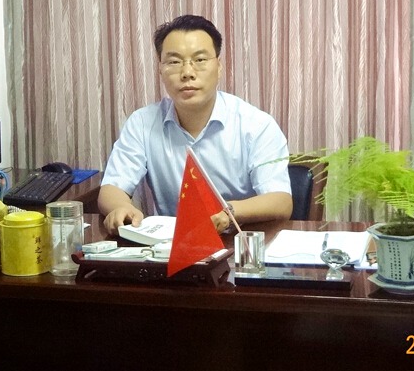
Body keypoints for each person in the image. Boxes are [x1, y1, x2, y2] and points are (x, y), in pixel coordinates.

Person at [98, 14, 293, 234]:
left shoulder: (256, 125)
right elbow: (111, 188)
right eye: (174, 62)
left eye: (199, 60)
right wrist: (121, 207)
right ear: (160, 69)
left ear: (219, 66)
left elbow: (280, 200)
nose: (187, 73)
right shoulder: (142, 123)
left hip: (240, 243)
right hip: (171, 246)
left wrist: (228, 213)